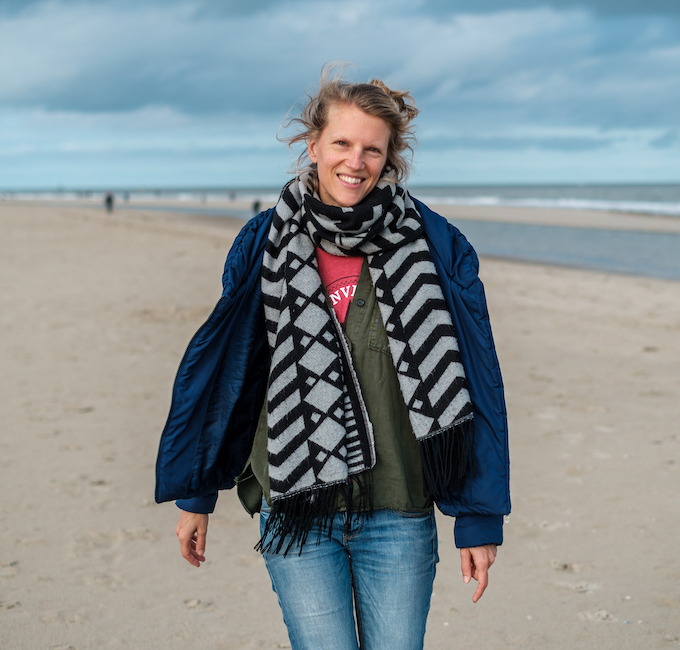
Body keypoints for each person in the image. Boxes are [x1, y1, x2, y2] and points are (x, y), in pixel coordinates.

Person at [155, 67, 510, 650]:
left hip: (398, 510)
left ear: (390, 158)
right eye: (342, 143)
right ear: (314, 144)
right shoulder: (263, 242)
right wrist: (198, 495)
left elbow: (476, 378)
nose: (356, 160)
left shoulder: (436, 245)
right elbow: (233, 373)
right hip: (295, 505)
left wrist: (476, 516)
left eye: (373, 148)